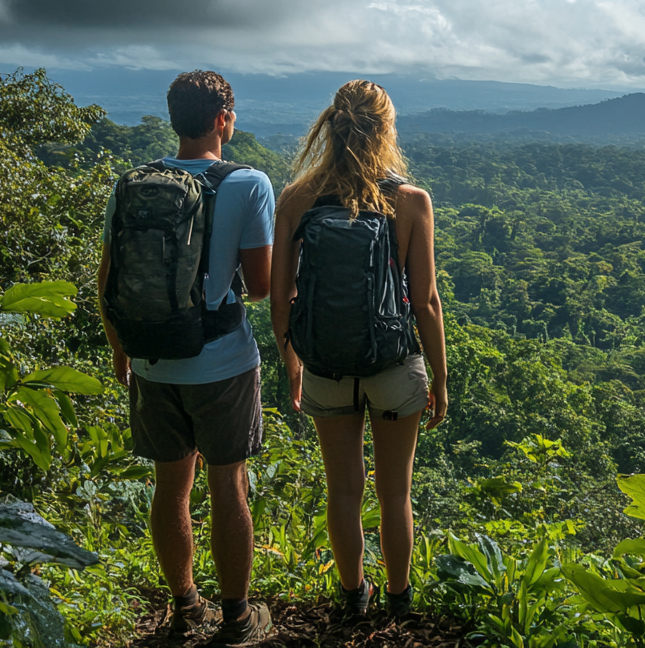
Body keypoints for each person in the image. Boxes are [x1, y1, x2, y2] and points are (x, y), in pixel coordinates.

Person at [98, 71, 275, 646]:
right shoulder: (248, 184)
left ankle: (184, 608)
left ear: (174, 118)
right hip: (221, 362)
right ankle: (237, 620)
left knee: (169, 488)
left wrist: (122, 352)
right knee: (229, 487)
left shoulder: (129, 185)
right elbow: (260, 285)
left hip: (151, 360)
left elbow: (107, 283)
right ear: (224, 118)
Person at [270, 79, 449, 619]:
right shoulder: (410, 200)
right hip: (394, 364)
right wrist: (439, 379)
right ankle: (398, 600)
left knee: (343, 491)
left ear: (331, 124)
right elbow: (426, 302)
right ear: (387, 130)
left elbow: (281, 294)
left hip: (325, 363)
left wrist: (292, 361)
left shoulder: (298, 197)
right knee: (396, 493)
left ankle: (353, 597)